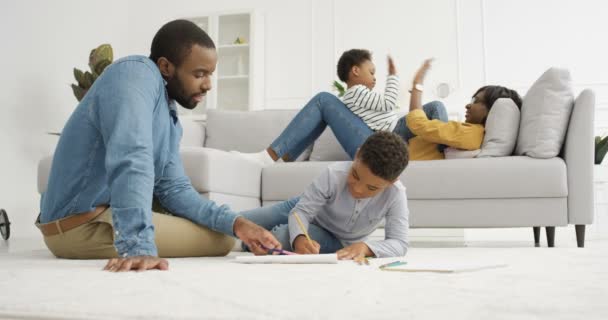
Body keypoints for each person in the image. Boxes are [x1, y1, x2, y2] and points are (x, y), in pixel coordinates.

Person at [36, 19, 280, 272]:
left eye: (210, 74)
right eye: (199, 74)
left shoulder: (169, 116)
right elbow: (132, 156)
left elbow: (175, 189)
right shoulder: (134, 74)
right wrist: (138, 247)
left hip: (97, 219)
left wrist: (238, 223)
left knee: (229, 232)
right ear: (165, 66)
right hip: (78, 227)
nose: (208, 84)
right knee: (222, 241)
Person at [241, 131, 410, 260]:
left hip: (331, 236)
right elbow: (301, 212)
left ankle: (245, 243)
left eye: (372, 188)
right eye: (356, 175)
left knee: (278, 237)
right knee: (240, 220)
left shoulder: (395, 194)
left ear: (392, 182)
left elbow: (399, 243)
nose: (358, 190)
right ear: (357, 155)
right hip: (302, 207)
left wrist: (366, 248)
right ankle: (227, 228)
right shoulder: (334, 174)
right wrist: (300, 238)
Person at [396, 59, 523, 160]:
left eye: (475, 101)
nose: (467, 105)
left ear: (491, 110)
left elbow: (417, 124)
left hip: (398, 149)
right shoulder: (473, 134)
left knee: (436, 105)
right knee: (436, 106)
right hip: (406, 146)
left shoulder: (472, 133)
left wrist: (417, 85)